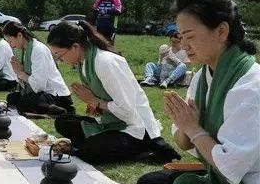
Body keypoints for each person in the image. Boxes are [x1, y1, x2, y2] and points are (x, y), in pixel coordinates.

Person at [137, 0, 260, 184]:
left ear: (221, 31)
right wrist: (183, 125)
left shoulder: (250, 87)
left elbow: (229, 166)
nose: (184, 45)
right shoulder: (203, 77)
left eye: (190, 37)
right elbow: (186, 144)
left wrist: (194, 128)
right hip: (217, 177)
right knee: (150, 183)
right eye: (181, 38)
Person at [47, 21, 180, 164]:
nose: (59, 60)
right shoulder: (84, 63)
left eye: (59, 55)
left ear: (75, 47)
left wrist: (94, 100)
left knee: (88, 150)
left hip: (134, 127)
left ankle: (143, 148)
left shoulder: (105, 62)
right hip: (112, 121)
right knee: (63, 122)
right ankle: (102, 140)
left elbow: (127, 111)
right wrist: (92, 103)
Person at [2, 22, 74, 115]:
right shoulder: (26, 50)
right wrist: (18, 71)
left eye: (10, 41)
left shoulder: (38, 50)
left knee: (28, 100)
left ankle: (59, 109)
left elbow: (39, 85)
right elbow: (27, 83)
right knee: (12, 98)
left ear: (19, 35)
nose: (10, 45)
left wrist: (20, 73)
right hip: (42, 94)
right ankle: (48, 108)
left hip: (56, 95)